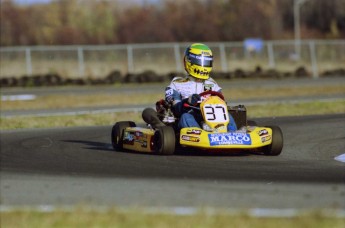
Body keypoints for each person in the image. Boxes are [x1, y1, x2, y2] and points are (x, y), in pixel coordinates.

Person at [165, 43, 237, 132]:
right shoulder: (177, 84)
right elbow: (175, 109)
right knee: (185, 117)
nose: (203, 65)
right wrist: (187, 102)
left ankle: (232, 134)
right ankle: (200, 135)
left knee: (227, 114)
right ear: (189, 61)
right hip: (188, 118)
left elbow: (221, 105)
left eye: (206, 61)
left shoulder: (212, 84)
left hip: (211, 120)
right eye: (199, 61)